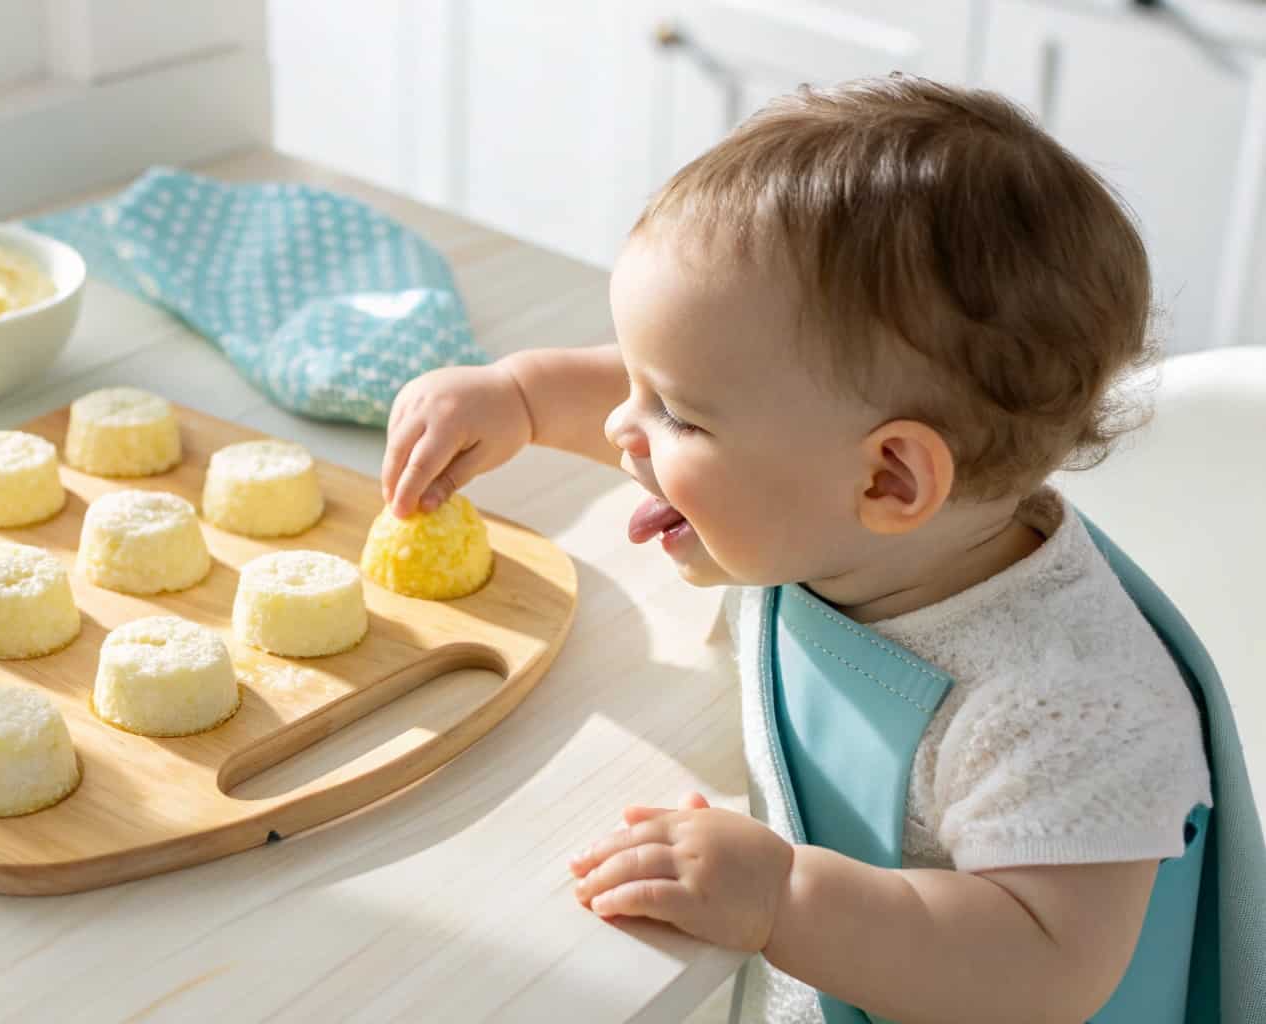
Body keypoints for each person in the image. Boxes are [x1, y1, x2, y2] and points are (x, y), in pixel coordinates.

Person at [378, 75, 1247, 1021]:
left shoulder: (1067, 709)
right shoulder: (842, 516)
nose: (626, 426)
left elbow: (1045, 968)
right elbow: (723, 416)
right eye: (635, 381)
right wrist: (522, 395)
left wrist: (785, 899)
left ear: (889, 481)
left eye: (674, 415)